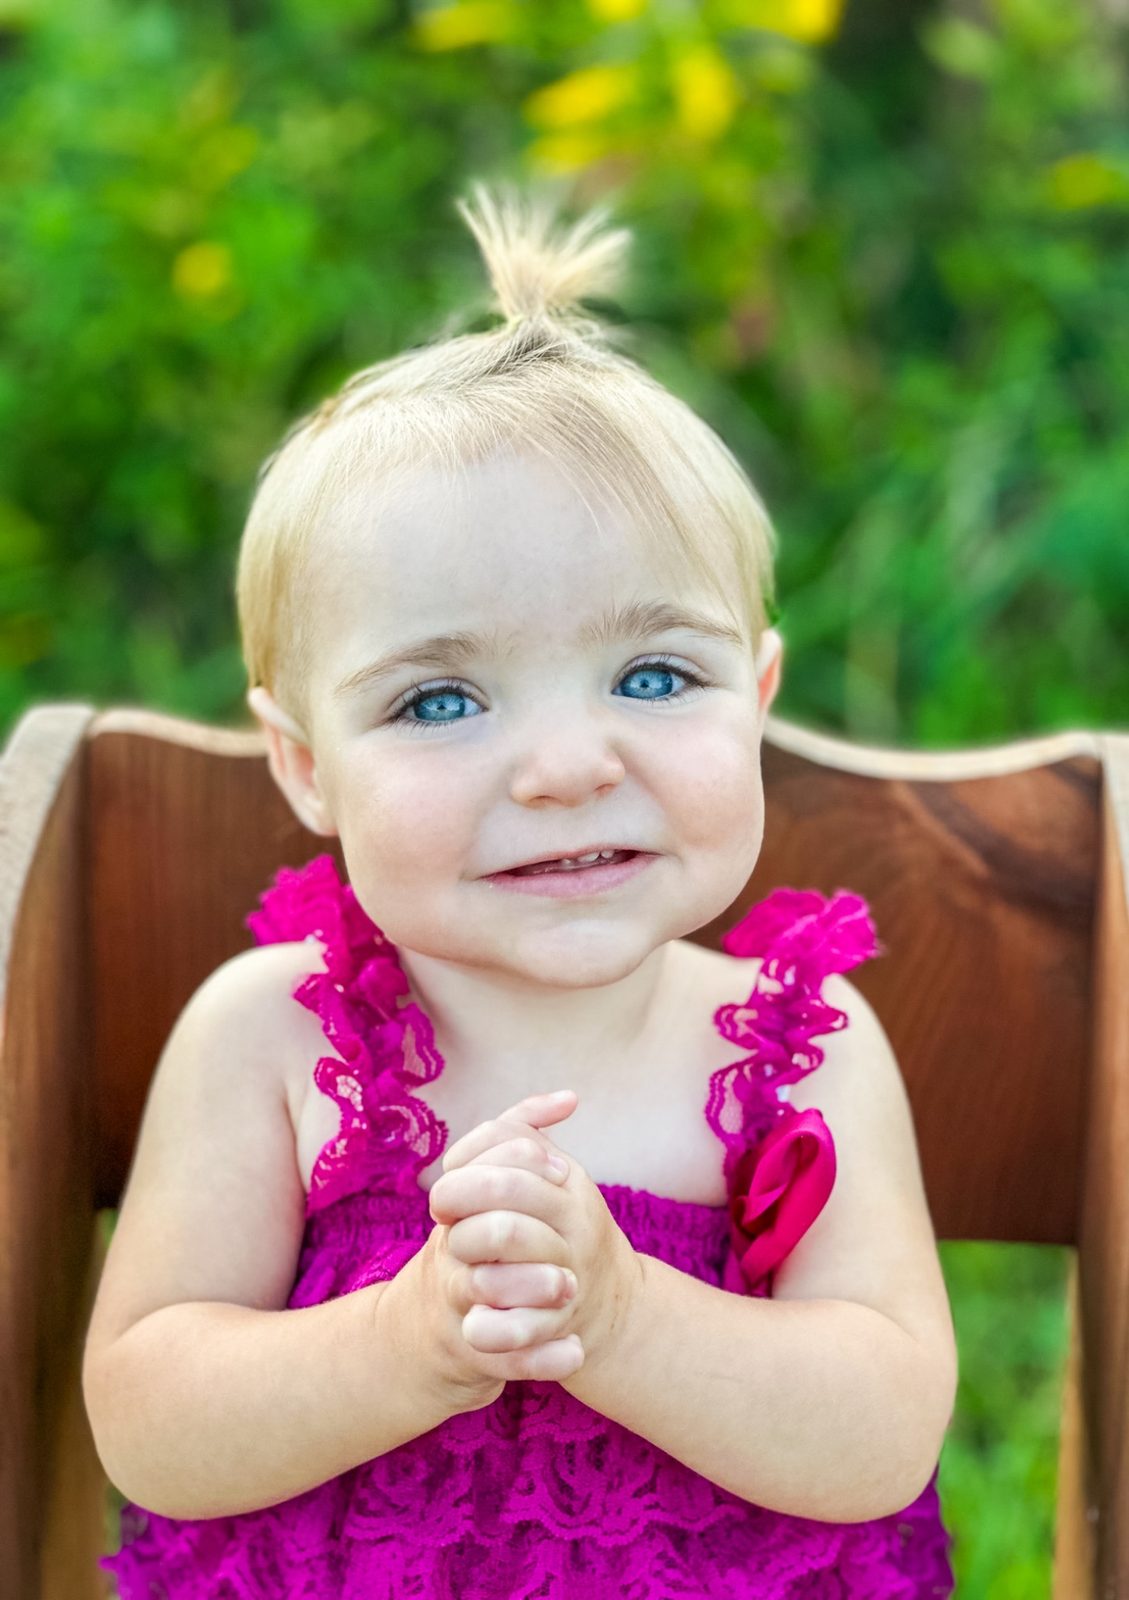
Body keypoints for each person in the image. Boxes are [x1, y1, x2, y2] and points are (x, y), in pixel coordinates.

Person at [85, 179, 958, 1598]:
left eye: (655, 676)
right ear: (305, 767)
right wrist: (411, 1338)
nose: (562, 766)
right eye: (438, 701)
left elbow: (876, 1438)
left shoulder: (803, 1059)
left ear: (759, 698)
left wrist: (619, 1320)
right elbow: (149, 1425)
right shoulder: (276, 1039)